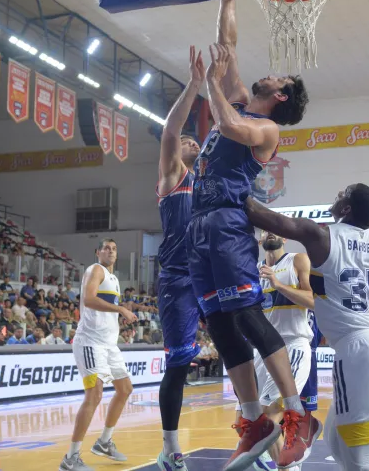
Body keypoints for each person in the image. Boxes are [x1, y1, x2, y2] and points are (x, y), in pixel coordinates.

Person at [185, 0, 311, 471]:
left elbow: (228, 124)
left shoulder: (266, 129)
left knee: (247, 314)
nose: (271, 73)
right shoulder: (239, 97)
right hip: (199, 224)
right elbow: (228, 43)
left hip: (227, 223)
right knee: (218, 323)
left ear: (280, 96)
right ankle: (255, 419)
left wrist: (212, 84)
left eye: (280, 78)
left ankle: (296, 411)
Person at [245, 184, 369, 470]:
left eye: (341, 195)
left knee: (363, 460)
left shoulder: (321, 236)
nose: (335, 197)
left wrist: (226, 184)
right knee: (337, 442)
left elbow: (258, 214)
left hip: (359, 349)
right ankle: (311, 431)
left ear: (346, 209)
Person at [154, 46, 204, 471]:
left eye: (195, 141)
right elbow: (171, 130)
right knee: (178, 364)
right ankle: (169, 447)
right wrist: (195, 85)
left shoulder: (206, 185)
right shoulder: (174, 176)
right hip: (176, 280)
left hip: (207, 276)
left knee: (244, 339)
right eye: (188, 140)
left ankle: (256, 424)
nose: (190, 141)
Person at [235, 230, 317, 468]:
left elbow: (313, 300)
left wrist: (278, 284)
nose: (270, 233)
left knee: (271, 413)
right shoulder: (252, 269)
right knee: (248, 418)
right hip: (262, 350)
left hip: (292, 345)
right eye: (265, 231)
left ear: (284, 239)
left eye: (275, 231)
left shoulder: (297, 259)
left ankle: (288, 465)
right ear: (260, 240)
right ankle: (278, 462)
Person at [59, 239, 138, 471]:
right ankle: (70, 458)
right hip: (90, 343)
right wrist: (121, 308)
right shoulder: (95, 270)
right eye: (106, 248)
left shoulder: (114, 279)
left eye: (114, 248)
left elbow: (104, 310)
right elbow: (89, 299)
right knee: (94, 395)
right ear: (98, 252)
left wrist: (121, 319)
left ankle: (104, 442)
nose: (111, 251)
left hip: (109, 344)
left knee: (125, 389)